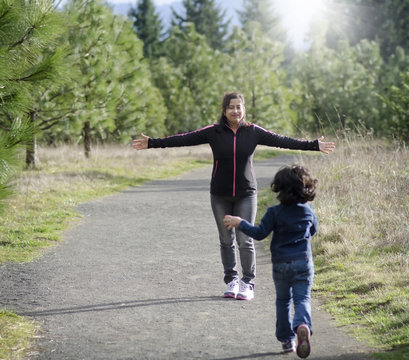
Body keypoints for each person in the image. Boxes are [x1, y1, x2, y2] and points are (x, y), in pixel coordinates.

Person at [132, 91, 334, 301]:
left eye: (239, 107)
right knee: (226, 240)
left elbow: (282, 141)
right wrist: (153, 143)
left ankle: (248, 282)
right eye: (231, 107)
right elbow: (184, 138)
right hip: (219, 195)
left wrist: (312, 145)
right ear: (224, 110)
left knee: (244, 239)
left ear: (244, 109)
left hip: (246, 194)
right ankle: (232, 280)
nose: (235, 111)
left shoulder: (253, 132)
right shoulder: (213, 132)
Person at [223, 165, 318, 358]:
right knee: (302, 299)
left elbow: (259, 234)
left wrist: (240, 222)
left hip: (281, 265)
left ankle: (286, 340)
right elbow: (313, 231)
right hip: (303, 263)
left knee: (283, 301)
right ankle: (302, 325)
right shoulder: (308, 212)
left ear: (279, 189)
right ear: (306, 189)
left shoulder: (274, 212)